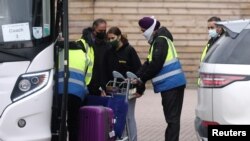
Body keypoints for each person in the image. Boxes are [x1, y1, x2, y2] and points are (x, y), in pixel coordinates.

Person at [134, 16, 186, 141]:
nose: (143, 34)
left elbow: (156, 65)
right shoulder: (158, 41)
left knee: (172, 120)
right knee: (172, 119)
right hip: (171, 84)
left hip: (171, 85)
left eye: (143, 31)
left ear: (150, 29)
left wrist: (142, 79)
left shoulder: (160, 41)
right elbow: (148, 63)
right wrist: (137, 76)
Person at [104, 26, 143, 141]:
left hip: (129, 89)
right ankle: (121, 137)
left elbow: (139, 70)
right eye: (109, 39)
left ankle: (132, 138)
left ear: (119, 37)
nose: (111, 41)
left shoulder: (129, 50)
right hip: (114, 89)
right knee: (117, 116)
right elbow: (105, 71)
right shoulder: (108, 52)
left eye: (113, 38)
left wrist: (140, 89)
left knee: (128, 116)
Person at [57, 41, 90, 141]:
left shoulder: (60, 53)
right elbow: (87, 77)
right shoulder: (84, 56)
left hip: (60, 91)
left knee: (58, 120)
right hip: (77, 93)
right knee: (73, 122)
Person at [77, 18, 111, 96]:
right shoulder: (85, 43)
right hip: (87, 83)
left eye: (104, 31)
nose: (102, 33)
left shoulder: (107, 44)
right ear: (93, 29)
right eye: (100, 31)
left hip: (101, 83)